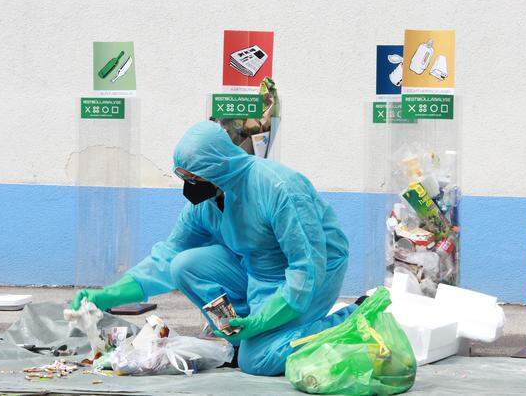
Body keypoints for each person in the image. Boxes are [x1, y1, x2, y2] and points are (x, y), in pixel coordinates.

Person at [72, 120, 355, 376]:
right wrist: (107, 295)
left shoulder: (279, 187)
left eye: (195, 179)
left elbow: (306, 269)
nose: (189, 188)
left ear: (219, 168)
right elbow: (167, 256)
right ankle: (242, 334)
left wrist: (262, 320)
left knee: (258, 360)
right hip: (258, 270)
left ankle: (349, 321)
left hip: (316, 274)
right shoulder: (207, 204)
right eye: (185, 179)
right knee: (184, 265)